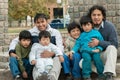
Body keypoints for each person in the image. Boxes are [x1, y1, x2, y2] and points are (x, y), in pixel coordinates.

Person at [9, 13, 64, 80]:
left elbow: (60, 47)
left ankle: (52, 77)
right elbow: (15, 41)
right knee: (36, 63)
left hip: (51, 58)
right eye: (38, 22)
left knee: (57, 59)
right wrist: (11, 52)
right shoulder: (31, 32)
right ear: (35, 23)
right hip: (38, 58)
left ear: (47, 21)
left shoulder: (55, 32)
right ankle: (37, 77)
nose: (40, 24)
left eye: (42, 22)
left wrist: (52, 53)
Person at [87, 5, 118, 80]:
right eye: (94, 15)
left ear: (103, 16)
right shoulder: (87, 26)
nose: (96, 17)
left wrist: (99, 43)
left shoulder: (109, 27)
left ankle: (109, 74)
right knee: (81, 63)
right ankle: (103, 72)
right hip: (92, 55)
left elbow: (115, 44)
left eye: (99, 15)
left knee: (112, 48)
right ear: (90, 16)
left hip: (104, 55)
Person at [70, 16, 104, 80]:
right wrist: (73, 51)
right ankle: (86, 75)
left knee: (98, 60)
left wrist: (99, 49)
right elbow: (77, 44)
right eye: (84, 25)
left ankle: (101, 74)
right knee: (87, 59)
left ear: (92, 25)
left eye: (88, 25)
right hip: (85, 51)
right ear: (82, 27)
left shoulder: (96, 33)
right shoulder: (82, 35)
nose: (86, 27)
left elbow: (101, 42)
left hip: (95, 50)